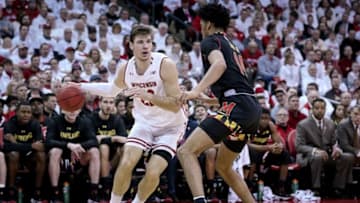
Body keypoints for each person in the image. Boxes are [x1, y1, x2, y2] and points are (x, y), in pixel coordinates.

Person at [76, 25, 187, 203]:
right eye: (140, 42)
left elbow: (175, 106)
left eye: (148, 42)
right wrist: (80, 86)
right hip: (145, 123)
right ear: (130, 45)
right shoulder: (126, 69)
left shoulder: (165, 65)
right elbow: (112, 90)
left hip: (171, 127)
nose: (145, 46)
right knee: (126, 162)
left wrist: (145, 95)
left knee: (152, 172)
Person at [177, 4, 261, 203]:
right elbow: (239, 85)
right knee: (223, 166)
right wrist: (212, 100)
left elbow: (219, 65)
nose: (200, 26)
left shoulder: (210, 41)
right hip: (250, 108)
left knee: (186, 151)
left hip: (238, 107)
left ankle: (200, 201)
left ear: (209, 24)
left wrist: (196, 91)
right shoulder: (231, 45)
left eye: (201, 22)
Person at [296, 98, 354, 197]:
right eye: (317, 108)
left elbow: (334, 142)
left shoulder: (330, 123)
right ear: (312, 109)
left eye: (322, 108)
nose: (320, 110)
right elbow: (299, 146)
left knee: (348, 156)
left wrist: (337, 149)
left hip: (327, 154)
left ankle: (338, 188)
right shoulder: (302, 124)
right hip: (309, 155)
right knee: (318, 157)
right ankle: (316, 188)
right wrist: (316, 151)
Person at [46, 109, 100, 202]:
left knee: (94, 151)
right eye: (69, 108)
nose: (72, 111)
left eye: (75, 108)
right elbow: (48, 141)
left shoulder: (85, 121)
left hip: (78, 157)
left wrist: (79, 146)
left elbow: (94, 141)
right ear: (63, 110)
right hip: (60, 159)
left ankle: (93, 192)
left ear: (79, 110)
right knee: (55, 151)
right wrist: (68, 145)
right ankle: (55, 193)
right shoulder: (55, 121)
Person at [3, 101, 46, 202]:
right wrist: (30, 146)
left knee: (42, 155)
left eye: (28, 112)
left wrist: (16, 143)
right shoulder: (9, 124)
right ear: (16, 112)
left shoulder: (35, 124)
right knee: (14, 154)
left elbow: (40, 146)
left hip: (30, 156)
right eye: (23, 112)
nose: (26, 114)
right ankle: (11, 190)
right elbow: (6, 147)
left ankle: (37, 191)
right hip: (13, 158)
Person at [89, 96, 128, 201]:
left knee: (125, 149)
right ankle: (105, 188)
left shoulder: (117, 119)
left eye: (111, 102)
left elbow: (124, 139)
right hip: (94, 155)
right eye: (105, 102)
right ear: (100, 104)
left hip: (113, 157)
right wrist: (114, 138)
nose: (108, 105)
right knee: (103, 147)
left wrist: (105, 138)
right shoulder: (92, 118)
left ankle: (122, 184)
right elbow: (91, 139)